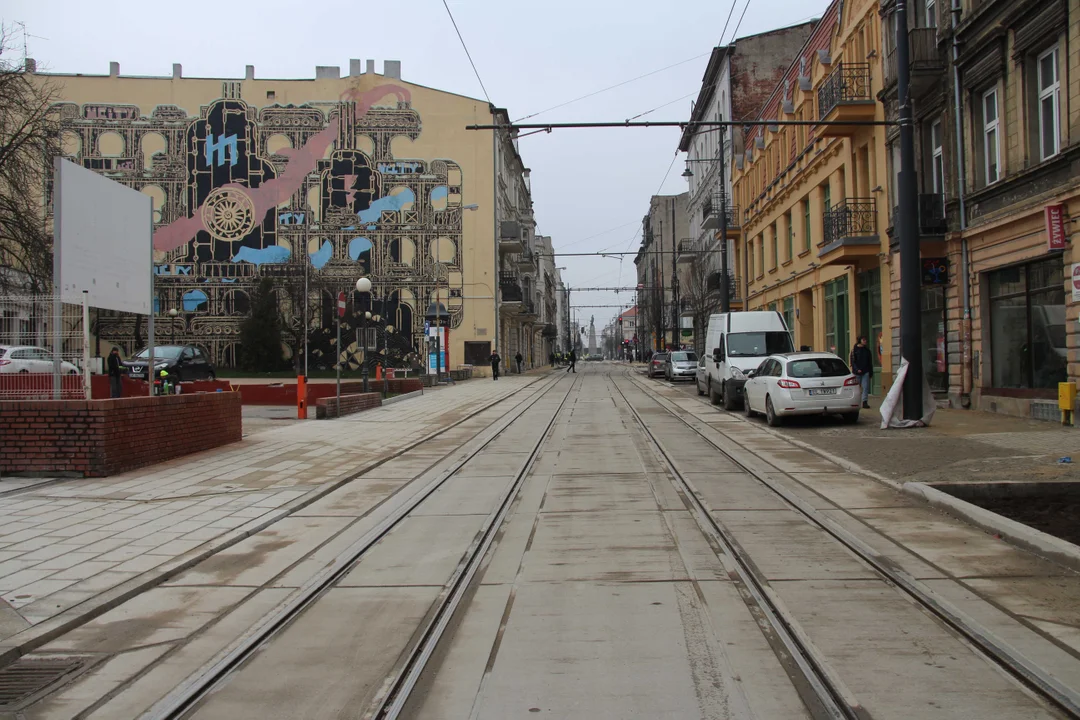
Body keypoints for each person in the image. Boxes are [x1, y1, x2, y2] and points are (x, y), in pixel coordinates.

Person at [850, 336, 874, 409]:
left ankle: (864, 402)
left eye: (865, 340)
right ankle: (856, 401)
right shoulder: (854, 350)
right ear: (860, 341)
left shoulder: (867, 351)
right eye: (863, 340)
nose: (865, 341)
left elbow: (870, 362)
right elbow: (852, 362)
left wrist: (870, 372)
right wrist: (857, 369)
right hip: (856, 372)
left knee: (865, 387)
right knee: (857, 388)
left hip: (865, 371)